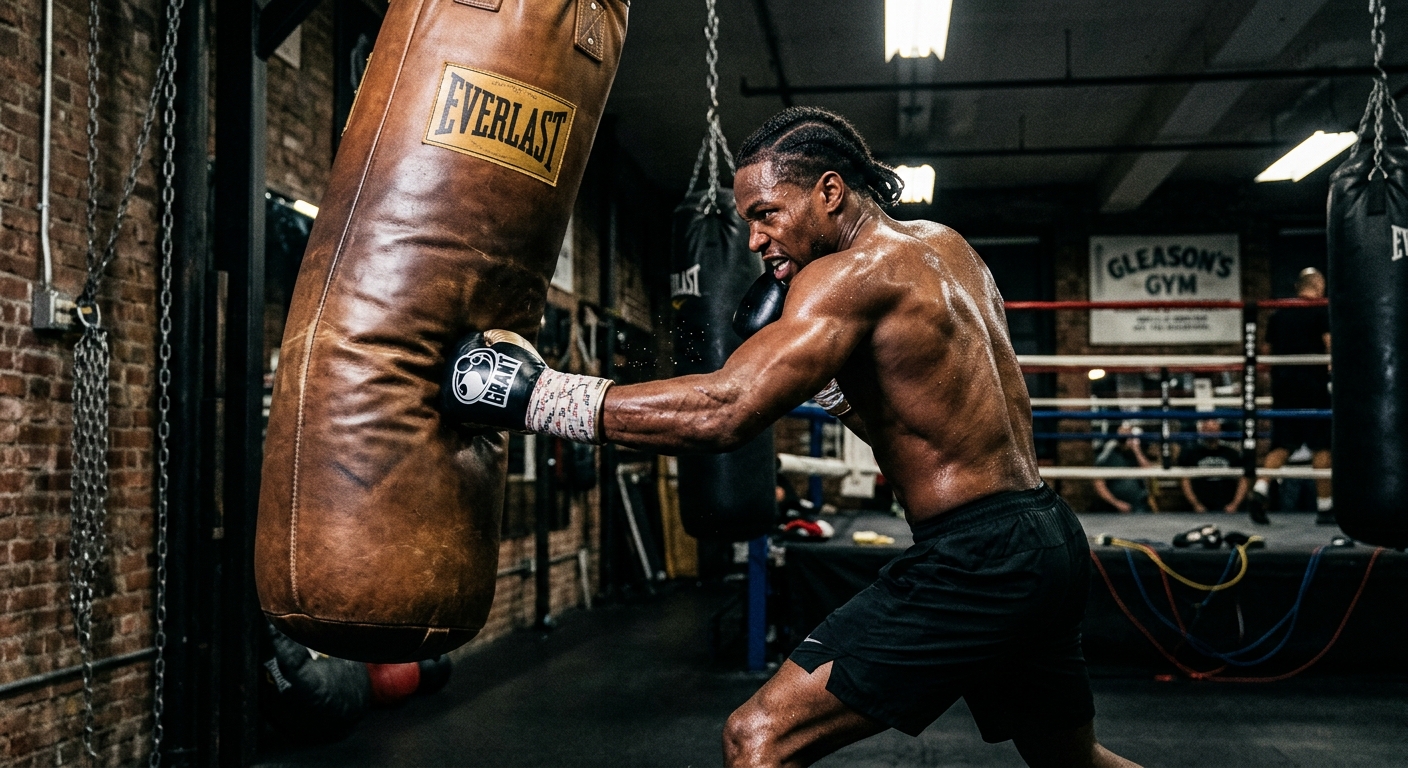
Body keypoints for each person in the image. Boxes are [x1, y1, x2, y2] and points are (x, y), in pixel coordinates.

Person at [444, 107, 1135, 767]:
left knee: (759, 738)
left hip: (976, 560)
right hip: (1047, 539)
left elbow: (724, 411)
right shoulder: (945, 247)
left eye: (766, 214)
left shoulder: (844, 276)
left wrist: (537, 397)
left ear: (829, 192)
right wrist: (833, 384)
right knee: (1071, 762)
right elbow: (917, 411)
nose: (752, 239)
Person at [1252, 267, 1332, 518]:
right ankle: (1325, 507)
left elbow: (1265, 351)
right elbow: (1330, 346)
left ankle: (1260, 488)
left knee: (1282, 444)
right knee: (1322, 447)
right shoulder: (1321, 309)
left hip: (1284, 386)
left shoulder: (1280, 312)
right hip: (1314, 386)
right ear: (1319, 286)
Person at [1177, 419, 1248, 513]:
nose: (1211, 433)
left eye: (1213, 429)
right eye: (1207, 429)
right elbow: (1185, 480)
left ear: (1220, 431)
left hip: (1227, 503)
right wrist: (1196, 504)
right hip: (1202, 504)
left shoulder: (1232, 454)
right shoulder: (1192, 454)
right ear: (1202, 432)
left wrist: (1234, 504)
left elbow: (1243, 479)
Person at [1091, 424, 1154, 513]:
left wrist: (1136, 450)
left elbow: (1150, 473)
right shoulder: (1109, 453)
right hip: (1114, 507)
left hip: (1139, 505)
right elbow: (1098, 483)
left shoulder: (1138, 453)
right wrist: (1117, 503)